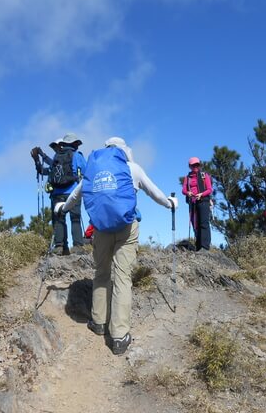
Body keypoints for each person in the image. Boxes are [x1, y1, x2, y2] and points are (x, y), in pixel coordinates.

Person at [55, 137, 177, 355]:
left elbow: (76, 195)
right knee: (122, 277)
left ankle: (99, 322)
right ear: (124, 150)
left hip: (100, 229)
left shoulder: (94, 170)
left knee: (101, 274)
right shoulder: (132, 168)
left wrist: (63, 208)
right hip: (127, 228)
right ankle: (119, 337)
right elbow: (154, 193)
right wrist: (170, 203)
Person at [31, 133, 86, 254]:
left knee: (58, 220)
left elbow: (44, 171)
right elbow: (86, 172)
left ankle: (60, 247)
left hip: (56, 194)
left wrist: (37, 160)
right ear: (75, 144)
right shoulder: (77, 156)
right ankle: (78, 247)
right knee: (75, 219)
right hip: (73, 193)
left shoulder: (56, 157)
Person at [182, 157, 213, 251]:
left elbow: (209, 189)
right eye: (193, 165)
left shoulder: (204, 175)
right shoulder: (187, 178)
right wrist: (188, 193)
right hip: (193, 202)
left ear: (199, 165)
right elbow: (183, 190)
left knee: (204, 223)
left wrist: (201, 194)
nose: (195, 167)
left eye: (197, 165)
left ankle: (205, 247)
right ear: (189, 166)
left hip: (203, 201)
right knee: (195, 224)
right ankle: (198, 246)